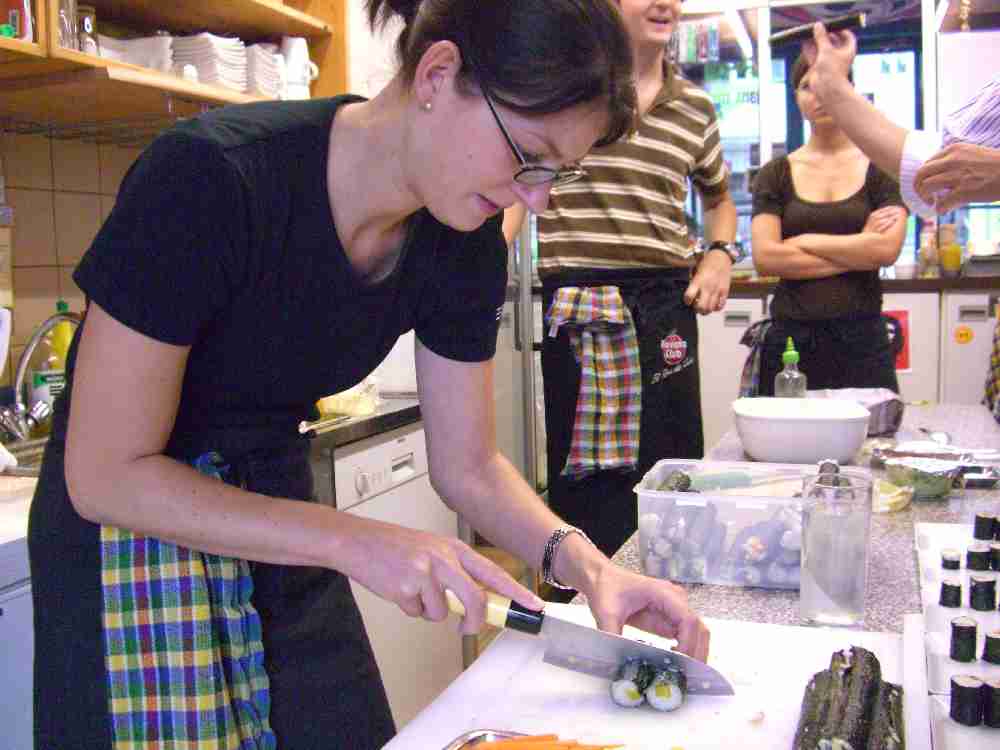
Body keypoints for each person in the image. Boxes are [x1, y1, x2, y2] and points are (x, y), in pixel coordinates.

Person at [28, 1, 711, 748]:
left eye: (557, 173)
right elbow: (103, 475)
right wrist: (355, 540)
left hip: (277, 508)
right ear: (438, 74)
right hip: (133, 535)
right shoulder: (211, 178)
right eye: (529, 155)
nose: (536, 197)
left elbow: (470, 466)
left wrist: (587, 567)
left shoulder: (463, 239)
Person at [504, 0, 738, 581]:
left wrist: (719, 253)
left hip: (666, 303)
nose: (664, 3)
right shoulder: (564, 87)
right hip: (581, 303)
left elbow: (719, 200)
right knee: (587, 478)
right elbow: (518, 184)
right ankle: (584, 605)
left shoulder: (696, 107)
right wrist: (481, 268)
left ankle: (678, 602)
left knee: (673, 472)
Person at [748, 53, 909, 397]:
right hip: (791, 342)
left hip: (864, 339)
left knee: (873, 431)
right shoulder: (774, 174)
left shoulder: (882, 168)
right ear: (795, 97)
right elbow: (766, 258)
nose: (818, 94)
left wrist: (803, 240)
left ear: (848, 89)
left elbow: (885, 250)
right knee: (784, 434)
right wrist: (859, 248)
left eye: (828, 83)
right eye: (807, 86)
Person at [803, 22, 1000, 217]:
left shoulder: (873, 168)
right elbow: (947, 168)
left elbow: (943, 171)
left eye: (811, 86)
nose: (814, 99)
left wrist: (832, 87)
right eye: (805, 88)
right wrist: (832, 87)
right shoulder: (785, 169)